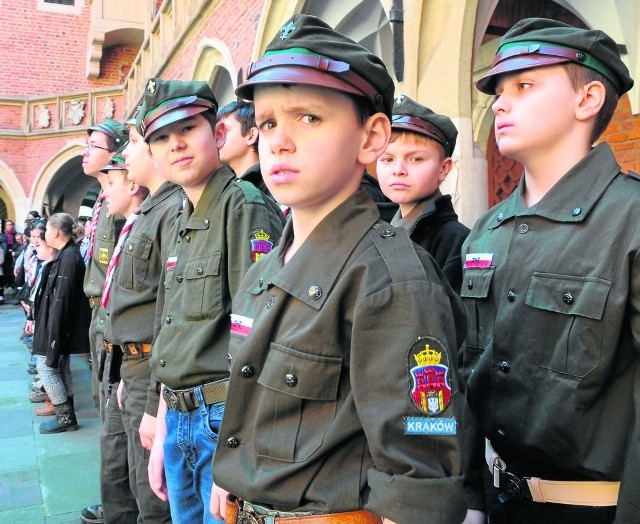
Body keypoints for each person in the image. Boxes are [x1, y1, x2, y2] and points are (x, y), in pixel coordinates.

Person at [210, 14, 467, 524]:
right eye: (266, 123)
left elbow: (419, 469)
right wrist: (233, 474)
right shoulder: (267, 268)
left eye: (309, 117)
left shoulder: (389, 280)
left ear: (372, 138)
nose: (278, 141)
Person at [459, 17, 638, 524]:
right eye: (498, 89)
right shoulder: (486, 232)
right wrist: (471, 496)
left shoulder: (631, 221)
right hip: (499, 505)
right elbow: (469, 370)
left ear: (587, 100)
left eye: (525, 85)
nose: (499, 101)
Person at [141, 78, 286, 524]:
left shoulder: (244, 207)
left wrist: (235, 452)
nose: (176, 145)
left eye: (187, 128)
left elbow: (261, 334)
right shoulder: (177, 217)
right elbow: (170, 330)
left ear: (218, 135)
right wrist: (160, 417)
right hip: (181, 416)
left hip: (221, 419)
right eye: (161, 138)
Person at [101, 115, 182, 523]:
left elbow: (170, 311)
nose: (127, 153)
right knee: (131, 478)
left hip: (150, 364)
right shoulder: (151, 211)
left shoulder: (172, 211)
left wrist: (155, 397)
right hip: (130, 363)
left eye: (132, 143)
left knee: (154, 498)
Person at [80, 119, 137, 524]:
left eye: (94, 144)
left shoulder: (122, 204)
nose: (86, 151)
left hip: (115, 319)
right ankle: (116, 503)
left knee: (117, 433)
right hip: (100, 316)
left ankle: (121, 508)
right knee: (109, 424)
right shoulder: (102, 198)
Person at [376, 95, 469, 293]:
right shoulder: (372, 230)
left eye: (416, 159)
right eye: (387, 159)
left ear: (444, 169)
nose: (398, 170)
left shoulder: (454, 241)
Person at [27, 213, 90, 433]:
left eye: (45, 231)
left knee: (47, 368)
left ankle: (65, 416)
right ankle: (67, 414)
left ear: (54, 232)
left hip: (57, 326)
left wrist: (53, 334)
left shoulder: (69, 257)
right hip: (56, 325)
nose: (43, 236)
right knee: (59, 368)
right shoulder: (68, 254)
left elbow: (61, 300)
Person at [217, 100, 271, 196]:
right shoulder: (225, 187)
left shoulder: (272, 183)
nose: (218, 138)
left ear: (251, 135)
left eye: (225, 130)